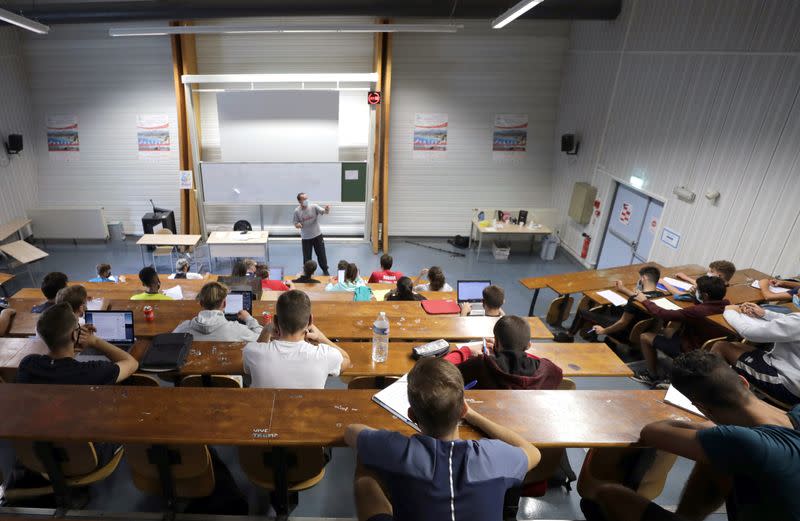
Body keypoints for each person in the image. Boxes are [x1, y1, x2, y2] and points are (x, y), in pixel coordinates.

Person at [580, 350, 800, 521]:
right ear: (744, 382)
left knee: (608, 494)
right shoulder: (794, 415)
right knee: (715, 461)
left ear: (702, 408)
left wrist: (708, 426)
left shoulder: (739, 442)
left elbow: (652, 432)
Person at [344, 357, 541, 521]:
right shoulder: (494, 456)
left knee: (365, 474)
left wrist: (381, 441)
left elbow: (351, 431)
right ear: (462, 409)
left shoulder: (397, 450)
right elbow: (533, 452)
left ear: (412, 416)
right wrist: (473, 416)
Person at [243, 290, 351, 388]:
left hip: (266, 410)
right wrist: (321, 337)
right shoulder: (325, 355)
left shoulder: (252, 352)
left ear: (275, 321)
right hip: (307, 410)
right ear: (310, 321)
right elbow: (346, 359)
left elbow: (248, 369)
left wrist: (266, 331)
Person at [632, 276, 729, 386]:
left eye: (697, 290)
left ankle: (651, 375)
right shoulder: (727, 306)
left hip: (690, 350)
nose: (694, 290)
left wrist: (644, 300)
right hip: (708, 350)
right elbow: (705, 308)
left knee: (645, 337)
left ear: (705, 295)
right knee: (676, 326)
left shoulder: (697, 311)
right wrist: (696, 299)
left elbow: (662, 313)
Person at [17, 302, 138, 385]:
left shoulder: (28, 363)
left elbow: (60, 365)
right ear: (75, 335)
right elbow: (132, 363)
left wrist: (73, 347)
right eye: (78, 326)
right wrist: (95, 341)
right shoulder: (93, 372)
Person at [710, 302, 800, 405]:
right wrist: (765, 314)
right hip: (793, 373)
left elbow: (748, 332)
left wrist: (730, 311)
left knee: (721, 347)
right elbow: (790, 321)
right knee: (736, 346)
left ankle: (719, 401)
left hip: (789, 386)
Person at [445, 315, 563, 390]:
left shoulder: (480, 365)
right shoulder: (547, 369)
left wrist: (466, 351)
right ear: (528, 345)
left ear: (496, 344)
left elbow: (442, 372)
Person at [566, 266, 667, 341]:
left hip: (624, 333)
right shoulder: (662, 295)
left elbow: (622, 323)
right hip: (641, 331)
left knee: (582, 312)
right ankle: (591, 336)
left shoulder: (634, 300)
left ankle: (569, 336)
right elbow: (643, 298)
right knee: (614, 308)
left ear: (644, 278)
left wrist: (603, 331)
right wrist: (623, 289)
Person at [173, 282, 263, 341]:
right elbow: (262, 338)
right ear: (224, 304)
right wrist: (249, 318)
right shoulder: (237, 330)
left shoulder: (183, 328)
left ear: (201, 303)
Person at [293, 192, 330, 276]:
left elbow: (324, 212)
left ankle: (325, 270)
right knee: (307, 257)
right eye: (304, 199)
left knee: (321, 254)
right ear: (299, 201)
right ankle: (308, 272)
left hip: (317, 235)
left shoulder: (314, 206)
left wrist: (327, 209)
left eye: (307, 198)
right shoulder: (297, 211)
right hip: (306, 238)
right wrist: (297, 225)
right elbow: (295, 223)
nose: (307, 200)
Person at [661, 260, 736, 296]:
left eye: (711, 272)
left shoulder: (712, 290)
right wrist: (686, 278)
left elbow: (680, 294)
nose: (708, 273)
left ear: (719, 276)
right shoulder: (724, 285)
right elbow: (701, 284)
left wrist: (663, 282)